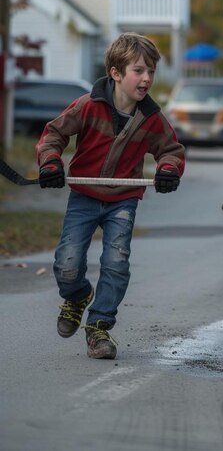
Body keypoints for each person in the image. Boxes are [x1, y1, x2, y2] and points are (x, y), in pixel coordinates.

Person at [36, 32, 185, 360]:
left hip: (123, 198)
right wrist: (49, 163)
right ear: (116, 74)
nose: (147, 78)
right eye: (138, 70)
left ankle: (99, 327)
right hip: (84, 195)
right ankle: (77, 297)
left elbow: (170, 150)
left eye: (151, 72)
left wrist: (169, 170)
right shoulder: (88, 106)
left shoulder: (151, 117)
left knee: (116, 261)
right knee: (68, 264)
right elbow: (53, 134)